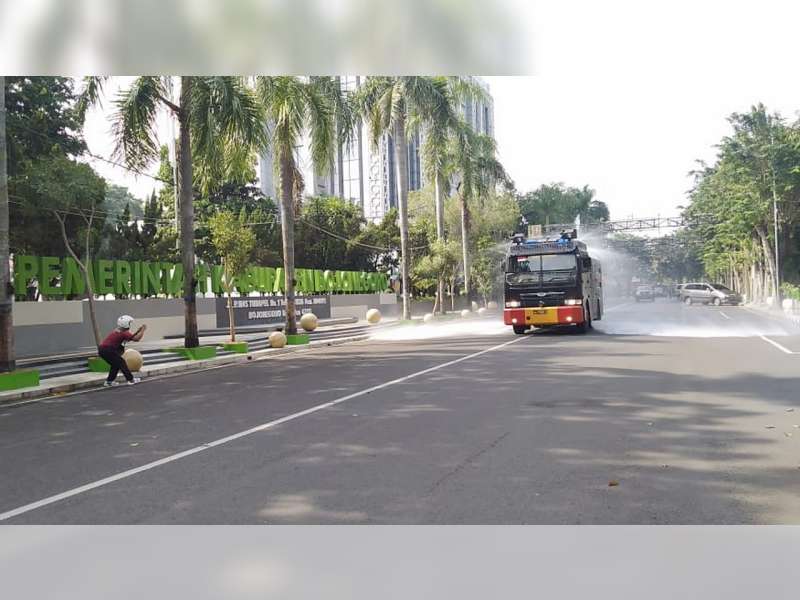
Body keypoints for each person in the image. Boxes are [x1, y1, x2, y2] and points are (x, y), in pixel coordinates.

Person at [98, 315, 146, 387]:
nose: (130, 324)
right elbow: (136, 339)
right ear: (126, 324)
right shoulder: (124, 332)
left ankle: (109, 382)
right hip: (108, 350)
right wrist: (143, 330)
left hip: (103, 350)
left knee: (115, 365)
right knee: (121, 362)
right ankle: (131, 380)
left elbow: (130, 338)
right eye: (129, 323)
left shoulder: (118, 330)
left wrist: (138, 331)